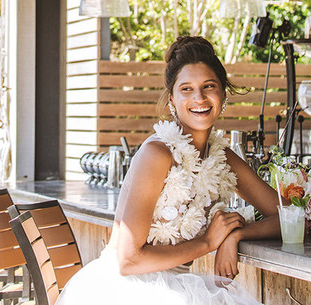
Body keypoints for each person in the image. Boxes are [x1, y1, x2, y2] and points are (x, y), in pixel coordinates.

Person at [57, 36, 281, 305]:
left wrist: (236, 234)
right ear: (172, 99)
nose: (199, 98)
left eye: (209, 86)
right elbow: (128, 260)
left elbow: (288, 217)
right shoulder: (158, 154)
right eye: (186, 89)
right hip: (127, 291)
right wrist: (209, 243)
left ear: (223, 94)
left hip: (180, 290)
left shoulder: (222, 156)